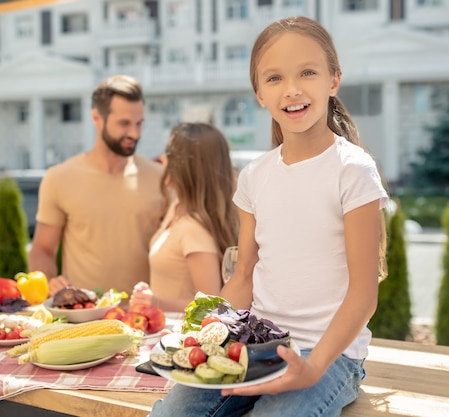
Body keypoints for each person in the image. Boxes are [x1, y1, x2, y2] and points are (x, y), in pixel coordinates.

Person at [149, 16, 388, 417]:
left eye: (307, 72)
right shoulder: (255, 176)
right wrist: (193, 336)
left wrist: (312, 368)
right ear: (259, 92)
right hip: (256, 346)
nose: (292, 89)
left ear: (333, 80)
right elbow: (243, 278)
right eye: (274, 78)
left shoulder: (353, 169)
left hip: (331, 357)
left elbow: (364, 295)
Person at [28, 74, 165, 297]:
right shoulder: (59, 178)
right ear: (96, 117)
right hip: (83, 320)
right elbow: (42, 250)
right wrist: (51, 283)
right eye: (124, 123)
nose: (134, 133)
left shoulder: (160, 178)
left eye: (139, 124)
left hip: (145, 319)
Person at [130, 122, 239, 312]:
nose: (163, 159)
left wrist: (155, 302)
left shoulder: (193, 229)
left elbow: (211, 307)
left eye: (170, 155)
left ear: (185, 166)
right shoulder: (177, 206)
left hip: (179, 337)